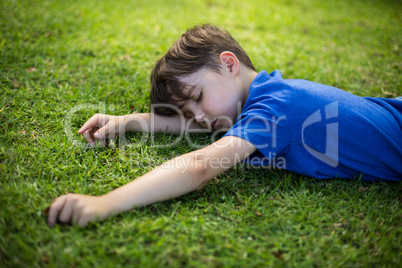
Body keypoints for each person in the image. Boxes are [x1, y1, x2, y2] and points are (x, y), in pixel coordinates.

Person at [47, 24, 402, 227]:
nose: (198, 116)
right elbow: (206, 126)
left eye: (198, 97)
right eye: (187, 111)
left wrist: (105, 202)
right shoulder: (265, 94)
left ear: (228, 64)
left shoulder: (276, 106)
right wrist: (128, 122)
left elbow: (201, 165)